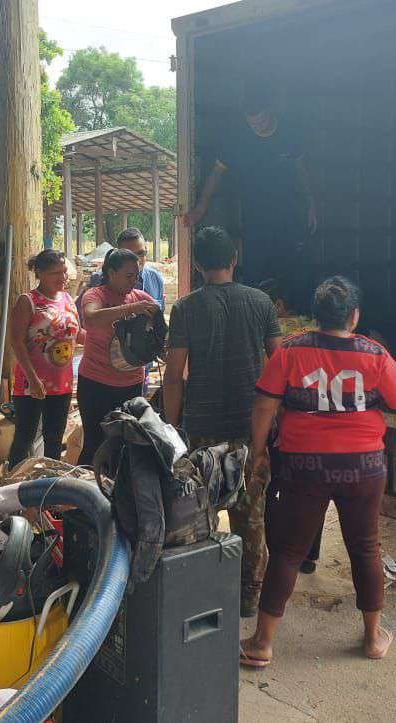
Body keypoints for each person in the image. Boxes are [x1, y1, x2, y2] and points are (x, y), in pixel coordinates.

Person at [240, 276, 396, 667]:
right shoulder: (374, 354)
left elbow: (263, 407)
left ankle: (262, 643)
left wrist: (259, 453)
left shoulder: (290, 352)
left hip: (303, 465)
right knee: (365, 547)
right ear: (354, 317)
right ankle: (373, 639)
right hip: (363, 467)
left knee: (289, 552)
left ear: (315, 316)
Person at [163, 226, 282, 616]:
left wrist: (171, 429)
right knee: (251, 516)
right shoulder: (261, 303)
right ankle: (249, 598)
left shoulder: (185, 309)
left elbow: (174, 376)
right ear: (234, 259)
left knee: (201, 513)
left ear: (197, 264)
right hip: (250, 428)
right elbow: (279, 366)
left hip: (202, 427)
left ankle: (207, 595)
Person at [182, 78, 317, 312]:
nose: (258, 127)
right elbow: (216, 174)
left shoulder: (289, 134)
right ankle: (257, 322)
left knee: (294, 272)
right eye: (252, 124)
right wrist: (201, 207)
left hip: (289, 215)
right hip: (255, 218)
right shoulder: (238, 139)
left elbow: (302, 171)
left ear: (271, 111)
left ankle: (295, 321)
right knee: (257, 274)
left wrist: (312, 203)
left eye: (262, 121)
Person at [257, 279, 323, 575]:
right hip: (314, 422)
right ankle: (308, 555)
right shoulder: (315, 330)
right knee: (311, 491)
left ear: (278, 305)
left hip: (283, 420)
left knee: (271, 489)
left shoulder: (273, 336)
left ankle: (277, 550)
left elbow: (266, 387)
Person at [76, 248, 160, 466]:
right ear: (111, 273)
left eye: (136, 275)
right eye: (129, 275)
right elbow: (91, 319)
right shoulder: (95, 295)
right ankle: (83, 493)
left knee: (125, 444)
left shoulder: (142, 298)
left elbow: (162, 335)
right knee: (95, 443)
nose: (134, 281)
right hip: (95, 384)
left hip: (131, 385)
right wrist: (133, 307)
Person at [8, 249, 81, 465]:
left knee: (55, 439)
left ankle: (50, 486)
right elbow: (16, 342)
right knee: (25, 438)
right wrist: (32, 378)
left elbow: (77, 334)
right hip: (32, 384)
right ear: (39, 274)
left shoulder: (67, 299)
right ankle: (15, 485)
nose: (63, 278)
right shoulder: (28, 301)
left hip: (62, 382)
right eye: (55, 273)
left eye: (64, 272)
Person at [84, 227, 165, 310]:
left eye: (141, 253)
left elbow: (159, 313)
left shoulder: (155, 278)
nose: (137, 260)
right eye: (130, 256)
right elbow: (88, 317)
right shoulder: (99, 279)